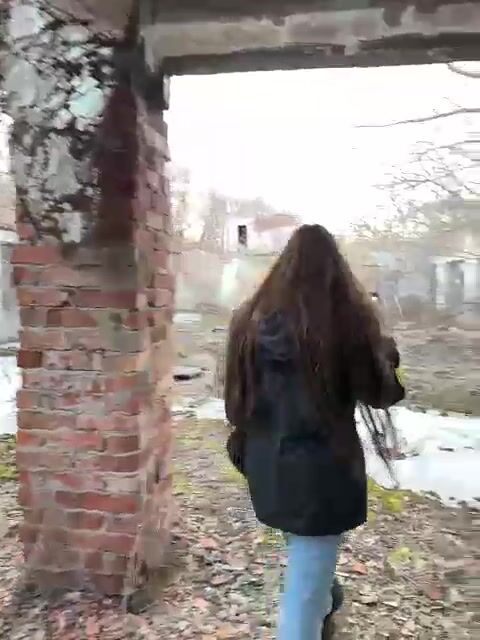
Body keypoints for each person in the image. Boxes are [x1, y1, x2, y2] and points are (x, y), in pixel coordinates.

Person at [224, 224, 405, 640]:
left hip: (267, 468)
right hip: (322, 480)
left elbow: (236, 405)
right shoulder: (347, 325)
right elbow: (382, 393)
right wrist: (385, 354)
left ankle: (327, 598)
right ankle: (320, 604)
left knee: (309, 564)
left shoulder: (248, 322)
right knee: (301, 606)